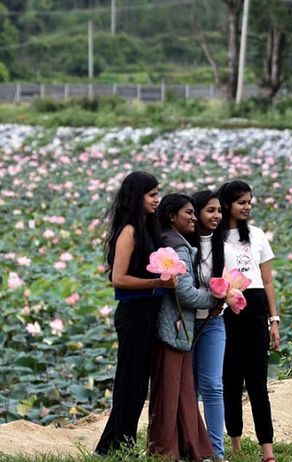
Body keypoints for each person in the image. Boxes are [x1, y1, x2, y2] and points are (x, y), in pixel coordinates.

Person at [96, 171, 175, 455]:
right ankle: (119, 444)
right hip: (133, 314)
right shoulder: (129, 231)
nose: (157, 199)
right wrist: (157, 282)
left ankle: (113, 445)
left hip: (148, 313)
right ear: (136, 197)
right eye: (152, 195)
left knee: (138, 382)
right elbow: (118, 278)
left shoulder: (147, 229)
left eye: (157, 194)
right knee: (130, 381)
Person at [148, 193, 218, 461]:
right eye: (188, 213)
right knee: (171, 391)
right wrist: (217, 297)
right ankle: (165, 451)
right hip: (173, 328)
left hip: (175, 328)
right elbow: (185, 294)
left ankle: (189, 448)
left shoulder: (169, 242)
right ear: (171, 217)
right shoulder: (176, 248)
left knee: (182, 390)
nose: (193, 217)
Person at [217, 180, 280, 462]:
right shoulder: (213, 237)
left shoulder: (257, 235)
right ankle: (235, 446)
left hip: (254, 308)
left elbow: (267, 280)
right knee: (229, 379)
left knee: (257, 383)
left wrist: (274, 319)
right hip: (225, 308)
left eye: (249, 202)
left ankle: (267, 450)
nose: (247, 207)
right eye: (242, 202)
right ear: (228, 204)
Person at [189, 190, 227, 462]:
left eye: (219, 211)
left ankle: (216, 453)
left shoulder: (222, 245)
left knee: (213, 385)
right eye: (210, 211)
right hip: (187, 324)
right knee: (187, 388)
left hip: (214, 321)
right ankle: (193, 448)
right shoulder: (182, 245)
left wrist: (225, 298)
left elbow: (231, 282)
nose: (216, 216)